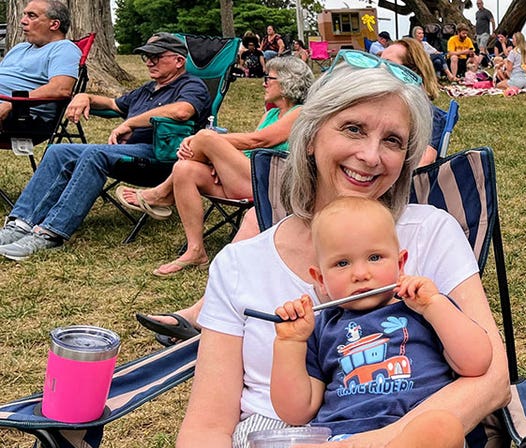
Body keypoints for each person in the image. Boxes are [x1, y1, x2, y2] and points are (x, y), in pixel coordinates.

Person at [117, 61, 510, 448]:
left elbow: (489, 372)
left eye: (393, 140)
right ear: (312, 134)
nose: (371, 156)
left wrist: (375, 445)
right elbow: (205, 426)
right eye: (353, 129)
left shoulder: (428, 233)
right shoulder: (240, 264)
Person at [240, 195, 492, 448]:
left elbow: (477, 362)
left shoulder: (419, 308)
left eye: (375, 258)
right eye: (342, 263)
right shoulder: (323, 326)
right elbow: (296, 410)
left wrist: (436, 306)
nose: (361, 273)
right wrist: (289, 343)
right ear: (320, 280)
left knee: (441, 427)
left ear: (401, 262)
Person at [0, 33, 209, 262]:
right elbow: (113, 104)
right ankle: (20, 223)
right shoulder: (148, 89)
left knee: (94, 153)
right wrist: (84, 96)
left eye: (156, 57)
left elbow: (182, 111)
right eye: (146, 57)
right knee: (59, 151)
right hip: (127, 152)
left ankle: (50, 233)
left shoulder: (191, 86)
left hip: (161, 157)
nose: (149, 62)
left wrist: (130, 122)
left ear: (179, 61)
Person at [117, 56, 311, 277]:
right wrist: (216, 162)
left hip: (270, 184)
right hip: (244, 176)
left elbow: (259, 141)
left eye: (269, 78)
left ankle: (161, 193)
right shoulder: (272, 113)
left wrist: (206, 142)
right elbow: (247, 150)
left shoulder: (300, 113)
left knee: (205, 136)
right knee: (185, 169)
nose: (263, 82)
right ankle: (195, 250)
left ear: (288, 82)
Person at [0, 0, 80, 127]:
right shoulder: (19, 48)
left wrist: (13, 103)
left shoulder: (64, 48)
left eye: (32, 16)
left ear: (54, 24)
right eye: (24, 14)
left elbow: (61, 89)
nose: (23, 21)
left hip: (22, 115)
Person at [381, 39, 447, 166]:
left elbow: (423, 163)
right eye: (378, 62)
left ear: (412, 73)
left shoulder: (428, 116)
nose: (379, 69)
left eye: (387, 64)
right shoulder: (373, 106)